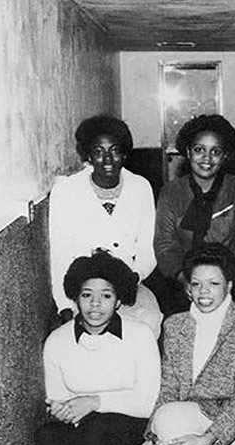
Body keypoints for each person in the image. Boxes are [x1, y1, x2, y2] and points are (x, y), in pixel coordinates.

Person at [127, 243, 235, 445]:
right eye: (197, 284)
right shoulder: (175, 325)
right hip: (180, 424)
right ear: (188, 289)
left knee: (170, 417)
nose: (204, 291)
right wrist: (156, 434)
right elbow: (168, 388)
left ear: (229, 286)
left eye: (214, 283)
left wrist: (205, 440)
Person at [35, 251, 160, 445]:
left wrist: (94, 402)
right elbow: (58, 397)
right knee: (47, 439)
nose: (95, 304)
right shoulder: (57, 341)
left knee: (96, 437)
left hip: (131, 422)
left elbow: (148, 402)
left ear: (118, 301)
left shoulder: (140, 334)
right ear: (75, 299)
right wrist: (64, 409)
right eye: (86, 295)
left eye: (105, 296)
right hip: (83, 424)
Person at [49, 115, 162, 337]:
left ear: (125, 153)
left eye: (115, 151)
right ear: (88, 155)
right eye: (99, 152)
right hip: (82, 290)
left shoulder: (140, 187)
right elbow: (60, 255)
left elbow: (148, 252)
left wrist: (129, 281)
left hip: (129, 285)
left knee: (146, 325)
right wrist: (64, 306)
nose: (108, 159)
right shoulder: (66, 192)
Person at [154, 114, 235, 315]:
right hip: (182, 282)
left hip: (232, 281)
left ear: (225, 155)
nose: (207, 159)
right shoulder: (171, 192)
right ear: (187, 151)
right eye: (199, 150)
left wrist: (218, 282)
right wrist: (186, 279)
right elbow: (165, 247)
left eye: (216, 151)